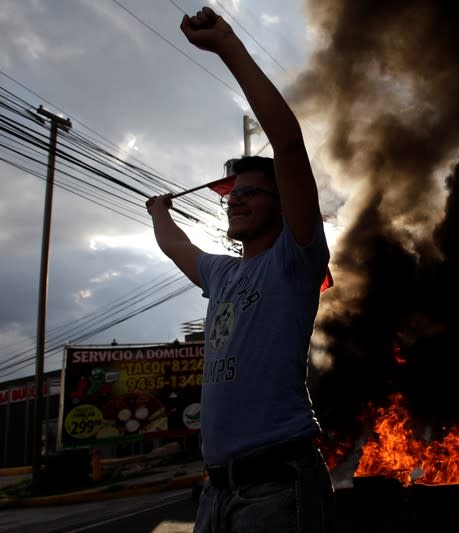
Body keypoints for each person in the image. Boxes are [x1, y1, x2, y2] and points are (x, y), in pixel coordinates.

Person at [146, 7, 334, 532]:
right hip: (218, 490)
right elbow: (174, 245)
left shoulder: (294, 261)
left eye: (252, 193)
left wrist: (227, 45)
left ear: (282, 206)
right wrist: (159, 212)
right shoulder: (223, 276)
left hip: (279, 485)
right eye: (234, 195)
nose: (236, 202)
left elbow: (289, 145)